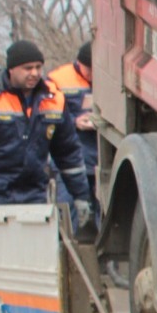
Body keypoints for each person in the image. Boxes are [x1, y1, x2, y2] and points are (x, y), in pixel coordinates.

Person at [0, 39, 95, 217]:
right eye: (28, 68)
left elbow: (68, 153)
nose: (34, 73)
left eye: (38, 67)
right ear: (11, 69)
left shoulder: (54, 101)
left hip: (35, 196)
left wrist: (80, 196)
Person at [47, 40, 99, 203]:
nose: (92, 74)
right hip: (70, 156)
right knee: (67, 206)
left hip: (99, 157)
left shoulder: (109, 76)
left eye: (95, 69)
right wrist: (74, 122)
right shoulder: (57, 79)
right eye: (88, 69)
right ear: (79, 63)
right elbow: (47, 113)